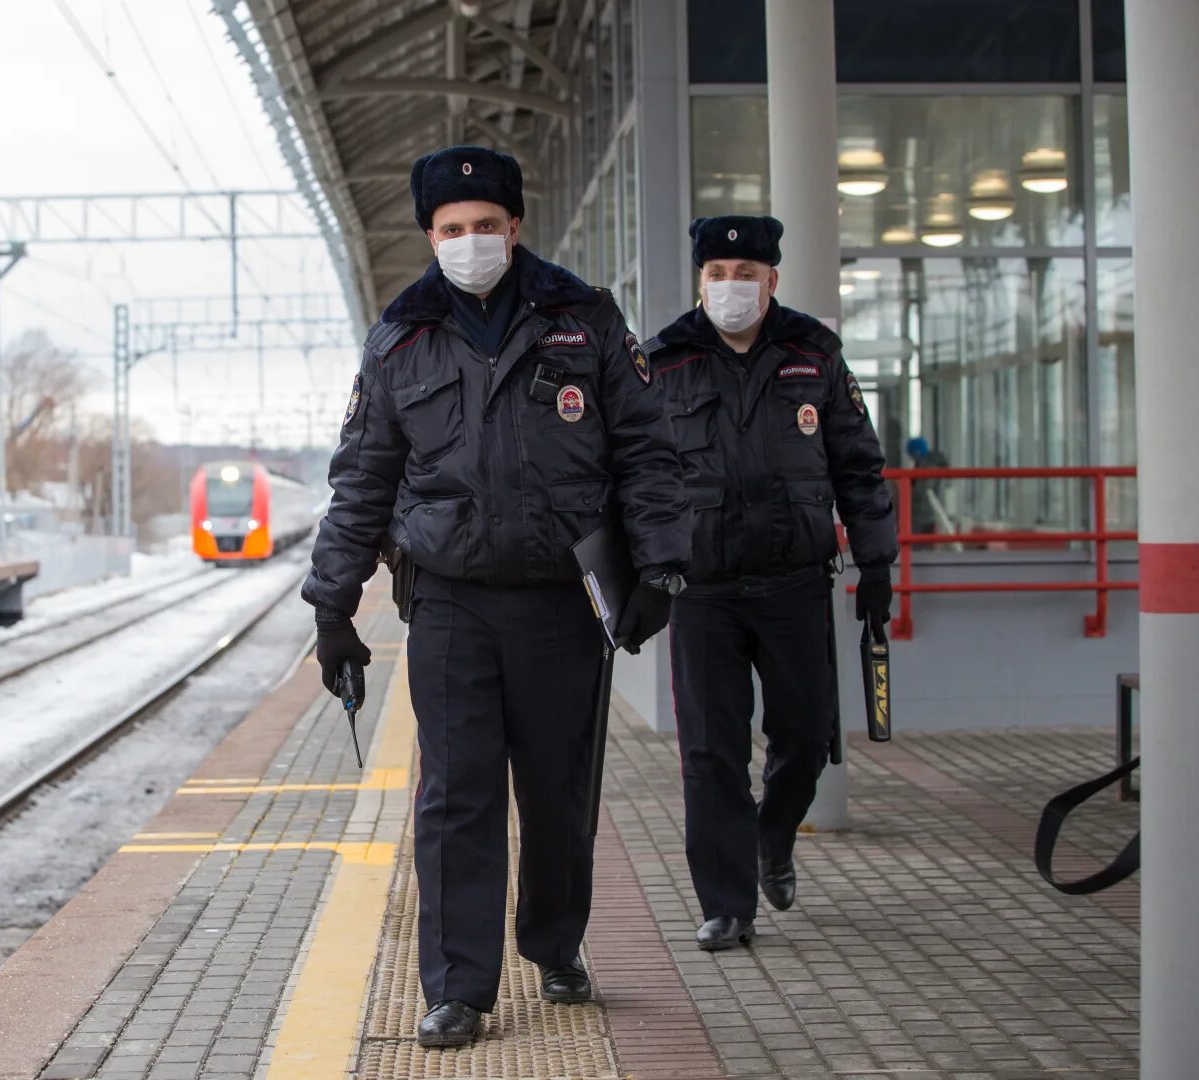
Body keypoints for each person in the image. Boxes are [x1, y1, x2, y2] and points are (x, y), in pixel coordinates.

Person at [304, 145, 692, 1047]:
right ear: (429, 236)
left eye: (485, 226)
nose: (470, 241)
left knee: (558, 792)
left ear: (515, 228)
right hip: (448, 603)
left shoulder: (583, 319)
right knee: (456, 798)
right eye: (451, 229)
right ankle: (458, 988)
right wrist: (333, 606)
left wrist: (662, 567)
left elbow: (646, 449)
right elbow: (361, 478)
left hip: (563, 601)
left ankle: (556, 944)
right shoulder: (400, 339)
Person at [642, 215, 898, 952]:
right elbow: (638, 475)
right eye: (718, 274)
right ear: (700, 280)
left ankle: (772, 837)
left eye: (746, 274)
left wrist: (877, 564)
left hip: (794, 582)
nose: (731, 286)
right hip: (704, 591)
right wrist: (640, 572)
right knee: (711, 753)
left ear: (772, 280)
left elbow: (858, 465)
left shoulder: (812, 354)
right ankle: (727, 904)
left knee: (807, 736)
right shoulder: (664, 361)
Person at [906, 435, 950, 534]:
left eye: (911, 455)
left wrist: (904, 488)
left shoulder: (927, 467)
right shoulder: (932, 464)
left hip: (922, 515)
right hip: (929, 513)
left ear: (916, 453)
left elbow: (922, 492)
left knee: (918, 546)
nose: (911, 459)